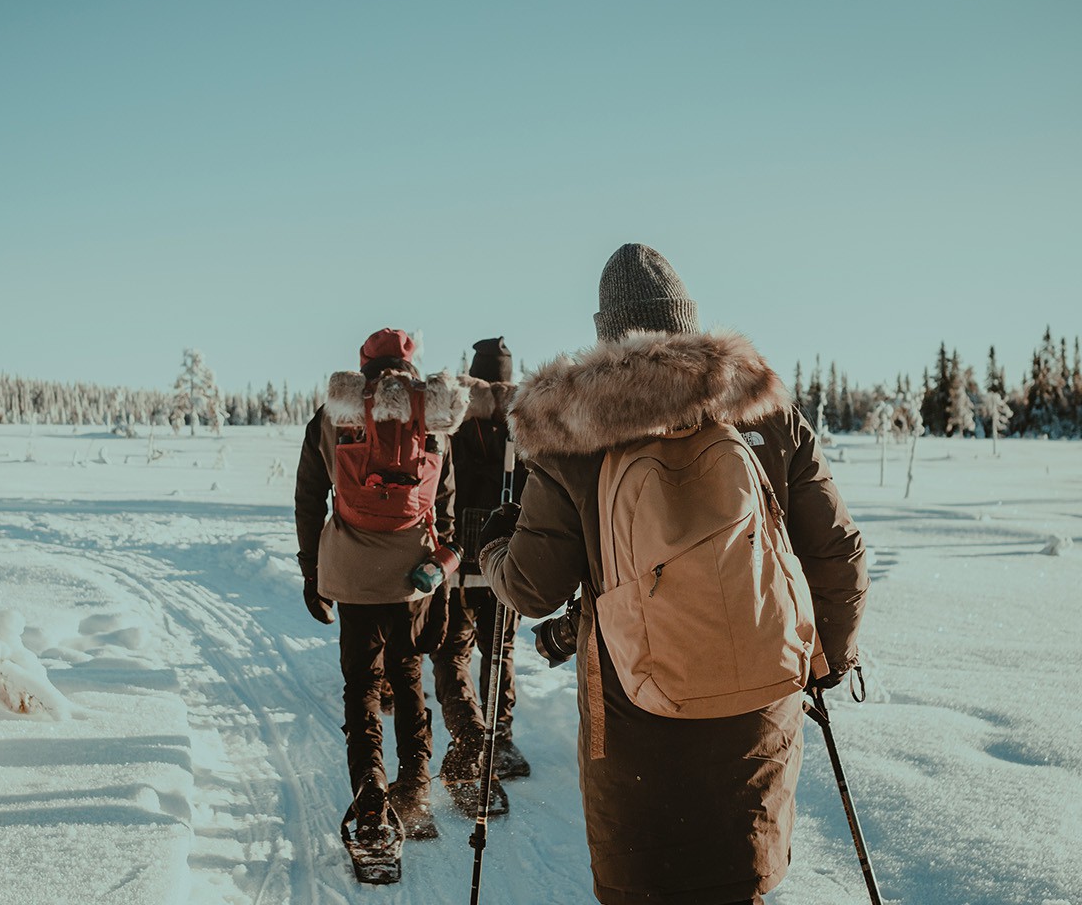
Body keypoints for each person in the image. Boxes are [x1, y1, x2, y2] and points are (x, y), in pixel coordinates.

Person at [480, 244, 869, 905]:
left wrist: (494, 546)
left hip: (636, 731)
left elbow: (533, 587)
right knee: (741, 884)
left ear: (608, 334)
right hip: (759, 709)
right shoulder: (764, 413)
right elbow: (838, 553)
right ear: (688, 325)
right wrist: (826, 658)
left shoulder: (573, 434)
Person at [294, 328, 471, 842]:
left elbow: (309, 499)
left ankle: (370, 799)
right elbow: (447, 506)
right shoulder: (433, 419)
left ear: (364, 365)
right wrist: (441, 570)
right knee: (408, 677)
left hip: (350, 574)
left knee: (361, 688)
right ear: (411, 367)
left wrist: (313, 572)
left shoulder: (333, 416)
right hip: (412, 576)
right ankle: (415, 791)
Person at [431, 337, 531, 788]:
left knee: (453, 651)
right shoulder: (524, 427)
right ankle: (500, 738)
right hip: (504, 558)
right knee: (499, 650)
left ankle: (468, 732)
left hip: (455, 556)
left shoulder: (451, 421)